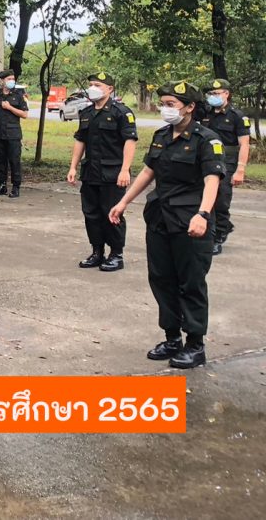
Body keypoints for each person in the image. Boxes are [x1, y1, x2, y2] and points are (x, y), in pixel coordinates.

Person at [109, 81, 225, 369]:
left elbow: (212, 179)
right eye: (163, 104)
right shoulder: (161, 136)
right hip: (161, 217)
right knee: (161, 279)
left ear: (190, 107)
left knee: (191, 283)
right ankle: (172, 338)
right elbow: (149, 172)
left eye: (171, 104)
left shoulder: (206, 140)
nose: (165, 109)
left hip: (191, 221)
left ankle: (195, 344)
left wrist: (203, 214)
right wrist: (124, 202)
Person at [66, 72, 138, 272]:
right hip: (91, 172)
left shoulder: (121, 112)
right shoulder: (86, 113)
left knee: (112, 213)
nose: (93, 88)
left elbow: (130, 141)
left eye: (98, 85)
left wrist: (125, 170)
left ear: (110, 89)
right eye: (91, 84)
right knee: (91, 214)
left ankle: (116, 254)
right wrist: (73, 166)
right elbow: (80, 140)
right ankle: (97, 251)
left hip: (113, 173)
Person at [199, 78, 251, 255]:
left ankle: (219, 235)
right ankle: (216, 229)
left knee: (221, 199)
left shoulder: (237, 116)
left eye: (216, 93)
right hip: (206, 159)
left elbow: (244, 144)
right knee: (205, 196)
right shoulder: (206, 112)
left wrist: (240, 169)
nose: (213, 96)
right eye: (211, 93)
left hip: (227, 162)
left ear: (226, 94)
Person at [0, 69, 28, 198]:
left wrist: (10, 107)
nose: (11, 81)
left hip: (13, 134)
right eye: (9, 79)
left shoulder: (18, 95)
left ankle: (16, 187)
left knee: (14, 161)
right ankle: (2, 185)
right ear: (2, 81)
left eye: (13, 79)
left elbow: (24, 114)